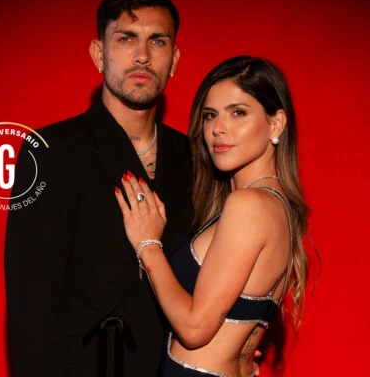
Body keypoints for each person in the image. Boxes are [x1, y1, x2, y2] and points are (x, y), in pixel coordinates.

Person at [4, 0, 195, 376]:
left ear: (174, 59)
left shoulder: (196, 158)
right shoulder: (52, 151)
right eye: (126, 38)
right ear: (98, 53)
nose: (142, 56)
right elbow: (31, 306)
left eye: (157, 41)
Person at [115, 56, 310, 376]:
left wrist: (148, 243)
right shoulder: (279, 207)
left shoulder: (248, 205)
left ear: (276, 124)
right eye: (210, 115)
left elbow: (194, 329)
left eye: (238, 112)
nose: (218, 128)